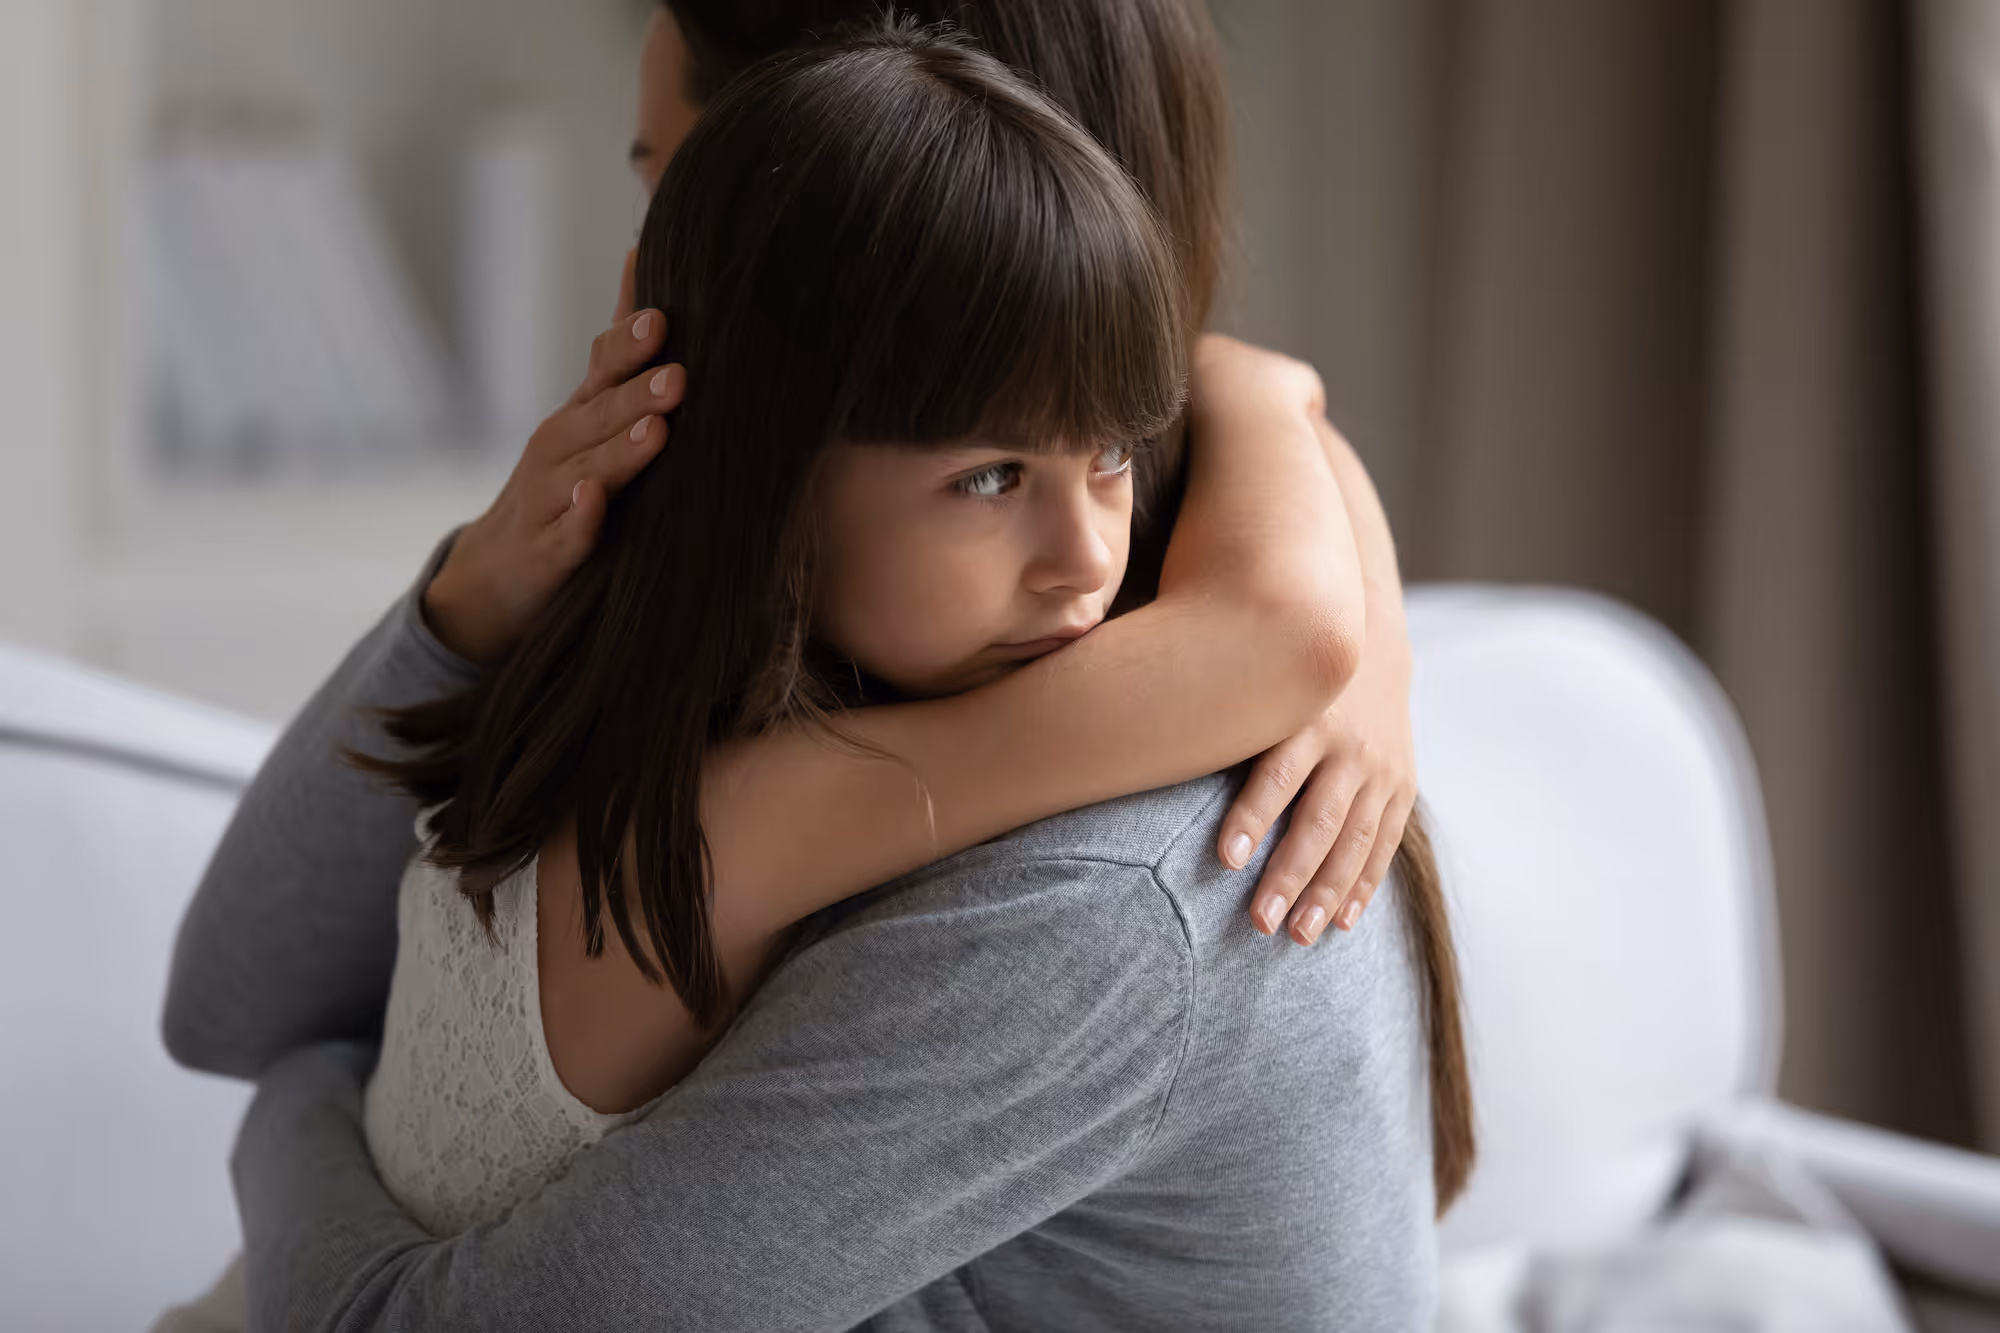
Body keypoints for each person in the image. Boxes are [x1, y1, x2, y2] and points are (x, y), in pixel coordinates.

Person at [158, 2, 1469, 1329]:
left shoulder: (1099, 884)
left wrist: (301, 1107)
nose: (641, 282)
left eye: (675, 178)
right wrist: (469, 596)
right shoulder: (757, 689)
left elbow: (274, 1054)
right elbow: (231, 999)